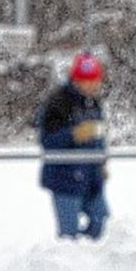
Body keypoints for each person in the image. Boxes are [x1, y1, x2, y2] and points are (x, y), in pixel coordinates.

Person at [35, 51, 109, 240]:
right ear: (76, 80)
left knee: (99, 217)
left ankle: (91, 260)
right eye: (87, 81)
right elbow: (47, 141)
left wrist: (102, 162)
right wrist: (73, 134)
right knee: (69, 233)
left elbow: (99, 136)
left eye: (95, 80)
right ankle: (66, 264)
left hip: (92, 177)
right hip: (65, 178)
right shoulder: (59, 103)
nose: (93, 85)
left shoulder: (94, 104)